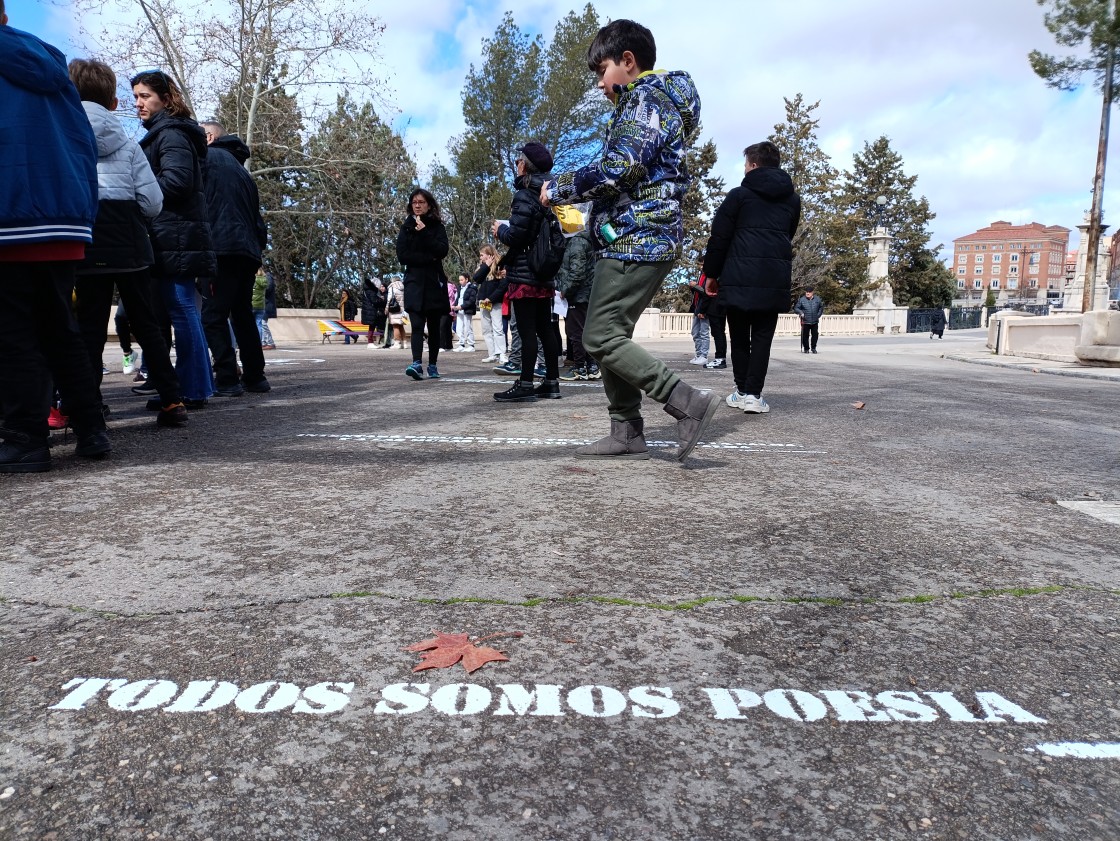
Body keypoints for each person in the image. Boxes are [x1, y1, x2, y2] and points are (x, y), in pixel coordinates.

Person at [540, 19, 714, 460]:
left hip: (639, 238)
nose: (599, 84)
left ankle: (687, 404)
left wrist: (559, 187)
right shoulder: (646, 103)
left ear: (628, 61)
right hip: (631, 237)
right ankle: (626, 430)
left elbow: (619, 167)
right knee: (611, 333)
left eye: (602, 71)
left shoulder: (645, 100)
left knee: (599, 337)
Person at [0, 2, 111, 472]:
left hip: (10, 212)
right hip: (62, 213)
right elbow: (82, 138)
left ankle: (25, 438)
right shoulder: (47, 56)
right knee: (60, 328)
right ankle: (91, 428)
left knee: (13, 335)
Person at [69, 57, 188, 428]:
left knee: (87, 327)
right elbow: (153, 202)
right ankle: (172, 400)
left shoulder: (65, 137)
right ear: (114, 103)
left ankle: (90, 408)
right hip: (130, 242)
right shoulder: (131, 146)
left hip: (86, 241)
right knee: (147, 323)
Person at [131, 69, 216, 409]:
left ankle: (193, 389)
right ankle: (195, 387)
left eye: (144, 96)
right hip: (174, 234)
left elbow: (177, 182)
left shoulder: (171, 135)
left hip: (175, 236)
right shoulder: (166, 133)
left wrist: (138, 197)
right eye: (135, 96)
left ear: (165, 99)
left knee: (182, 311)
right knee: (182, 312)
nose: (138, 103)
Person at [703, 141, 801, 415]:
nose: (744, 169)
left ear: (754, 165)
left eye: (746, 164)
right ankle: (754, 396)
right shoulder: (792, 200)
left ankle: (742, 390)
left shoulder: (738, 196)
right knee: (762, 338)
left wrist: (711, 274)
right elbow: (787, 235)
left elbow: (719, 238)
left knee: (739, 336)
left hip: (737, 274)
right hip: (773, 277)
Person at [197, 120, 270, 396]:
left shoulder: (206, 159)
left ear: (210, 137)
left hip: (221, 247)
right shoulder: (242, 172)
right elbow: (257, 220)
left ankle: (227, 377)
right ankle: (255, 376)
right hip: (246, 251)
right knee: (242, 314)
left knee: (213, 316)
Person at [493, 142, 562, 402]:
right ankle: (551, 383)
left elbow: (518, 236)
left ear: (524, 165)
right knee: (545, 328)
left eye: (517, 162)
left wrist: (500, 230)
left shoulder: (524, 194)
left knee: (526, 330)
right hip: (544, 272)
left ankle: (524, 384)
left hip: (525, 272)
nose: (516, 166)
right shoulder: (549, 194)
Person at [396, 188, 450, 379]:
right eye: (414, 202)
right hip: (414, 282)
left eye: (421, 202)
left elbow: (442, 250)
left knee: (434, 327)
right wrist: (428, 257)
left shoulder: (437, 227)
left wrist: (425, 233)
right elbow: (402, 255)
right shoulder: (406, 227)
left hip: (434, 283)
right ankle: (416, 363)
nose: (417, 205)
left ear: (429, 204)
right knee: (417, 325)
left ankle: (433, 365)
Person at [556, 229, 595, 381]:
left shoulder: (576, 242)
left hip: (579, 295)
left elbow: (577, 272)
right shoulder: (585, 240)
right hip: (585, 294)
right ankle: (591, 366)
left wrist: (565, 290)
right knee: (584, 330)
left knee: (576, 332)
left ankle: (580, 368)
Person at [474, 244, 508, 364]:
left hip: (495, 302)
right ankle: (492, 353)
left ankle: (502, 354)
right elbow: (476, 278)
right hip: (483, 303)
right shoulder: (483, 267)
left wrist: (492, 298)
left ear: (489, 255)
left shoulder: (500, 266)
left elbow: (503, 286)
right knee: (486, 329)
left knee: (498, 328)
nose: (480, 258)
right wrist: (486, 266)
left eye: (482, 255)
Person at [687, 273, 711, 365]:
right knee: (695, 332)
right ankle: (698, 354)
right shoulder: (701, 275)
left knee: (704, 332)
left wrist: (695, 286)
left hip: (704, 308)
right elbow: (698, 294)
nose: (700, 267)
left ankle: (704, 356)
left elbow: (707, 293)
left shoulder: (709, 276)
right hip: (697, 307)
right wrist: (693, 287)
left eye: (702, 264)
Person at [452, 272, 478, 352]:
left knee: (468, 327)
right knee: (459, 328)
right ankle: (461, 344)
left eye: (462, 280)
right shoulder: (460, 288)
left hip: (466, 310)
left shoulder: (472, 288)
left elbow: (471, 300)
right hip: (459, 310)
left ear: (466, 279)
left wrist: (462, 306)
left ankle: (471, 345)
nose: (460, 282)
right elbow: (458, 298)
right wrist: (455, 305)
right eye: (459, 280)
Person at [794, 287, 823, 354]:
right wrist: (801, 313)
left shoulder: (817, 299)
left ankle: (813, 348)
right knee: (805, 336)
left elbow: (821, 308)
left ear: (812, 292)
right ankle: (806, 348)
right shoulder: (802, 300)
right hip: (805, 321)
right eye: (806, 292)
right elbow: (796, 308)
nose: (807, 293)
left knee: (815, 335)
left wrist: (818, 315)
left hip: (814, 321)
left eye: (809, 292)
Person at [253, 266, 277, 349]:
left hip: (266, 304)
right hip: (263, 304)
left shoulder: (267, 277)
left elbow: (268, 289)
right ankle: (263, 342)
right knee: (261, 323)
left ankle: (270, 342)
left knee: (262, 323)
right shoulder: (265, 278)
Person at [360, 276, 386, 347]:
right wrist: (381, 299)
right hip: (371, 311)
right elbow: (374, 301)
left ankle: (370, 342)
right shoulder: (371, 291)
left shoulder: (366, 290)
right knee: (372, 326)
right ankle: (370, 342)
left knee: (372, 326)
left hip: (368, 310)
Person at [384, 276, 406, 348]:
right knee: (401, 326)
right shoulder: (403, 287)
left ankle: (397, 343)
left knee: (395, 326)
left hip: (394, 309)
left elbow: (389, 299)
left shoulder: (392, 287)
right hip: (402, 310)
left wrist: (387, 309)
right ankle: (404, 343)